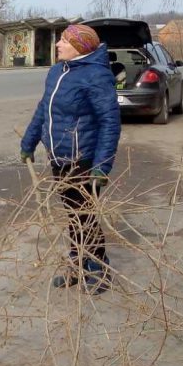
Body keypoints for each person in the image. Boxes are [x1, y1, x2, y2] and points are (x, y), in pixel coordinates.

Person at [20, 24, 121, 293]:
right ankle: (76, 266)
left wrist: (101, 167)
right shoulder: (57, 71)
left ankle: (99, 270)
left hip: (83, 160)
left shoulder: (96, 76)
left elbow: (110, 122)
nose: (57, 45)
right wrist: (28, 142)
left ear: (79, 47)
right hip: (59, 158)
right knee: (73, 216)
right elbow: (44, 109)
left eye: (63, 41)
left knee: (85, 217)